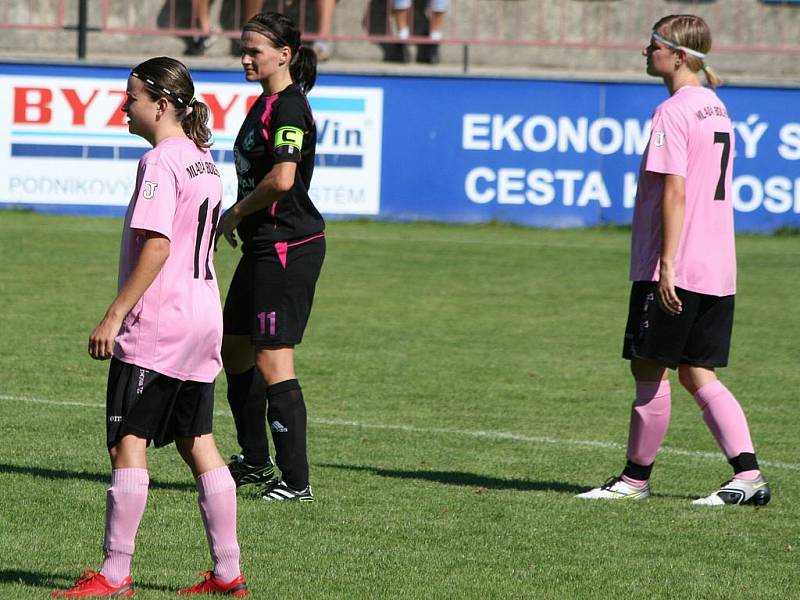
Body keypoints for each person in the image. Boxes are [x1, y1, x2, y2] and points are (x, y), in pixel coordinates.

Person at [52, 57, 250, 597]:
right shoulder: (205, 162)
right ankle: (228, 572)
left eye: (131, 97)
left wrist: (114, 314)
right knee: (197, 439)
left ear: (161, 104)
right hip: (204, 315)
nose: (123, 107)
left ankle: (114, 574)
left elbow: (158, 246)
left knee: (127, 442)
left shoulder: (162, 162)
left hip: (160, 323)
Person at [576, 14, 771, 507]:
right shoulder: (715, 106)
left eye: (653, 45)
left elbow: (676, 191)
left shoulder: (674, 111)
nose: (645, 52)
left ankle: (635, 479)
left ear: (677, 55)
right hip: (718, 265)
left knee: (649, 368)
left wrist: (667, 265)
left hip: (678, 265)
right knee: (696, 371)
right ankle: (748, 477)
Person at [218, 11, 324, 502]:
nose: (245, 57)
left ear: (284, 54)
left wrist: (236, 212)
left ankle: (296, 482)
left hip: (287, 246)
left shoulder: (288, 108)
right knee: (233, 347)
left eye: (254, 50)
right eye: (243, 49)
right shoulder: (264, 103)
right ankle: (255, 461)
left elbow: (283, 179)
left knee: (273, 359)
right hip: (264, 245)